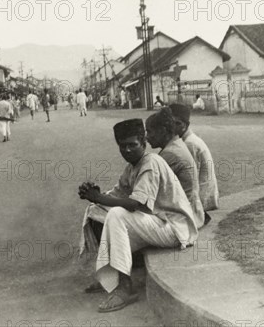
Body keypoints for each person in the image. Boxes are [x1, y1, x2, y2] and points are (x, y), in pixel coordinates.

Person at [78, 119, 198, 313]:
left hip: (175, 228)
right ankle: (112, 277)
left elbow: (135, 204)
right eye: (122, 146)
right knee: (95, 210)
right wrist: (95, 195)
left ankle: (125, 288)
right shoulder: (132, 167)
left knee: (117, 215)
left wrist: (99, 197)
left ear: (143, 143)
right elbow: (116, 195)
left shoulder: (150, 162)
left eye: (132, 145)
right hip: (156, 222)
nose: (127, 150)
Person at [145, 109, 205, 228]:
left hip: (183, 218)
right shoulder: (176, 145)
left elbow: (147, 189)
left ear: (162, 131)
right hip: (189, 211)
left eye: (150, 132)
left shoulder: (171, 154)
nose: (147, 137)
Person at [168, 103, 219, 219]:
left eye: (176, 123)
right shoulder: (189, 140)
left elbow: (191, 179)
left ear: (184, 125)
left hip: (202, 198)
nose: (171, 128)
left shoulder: (189, 144)